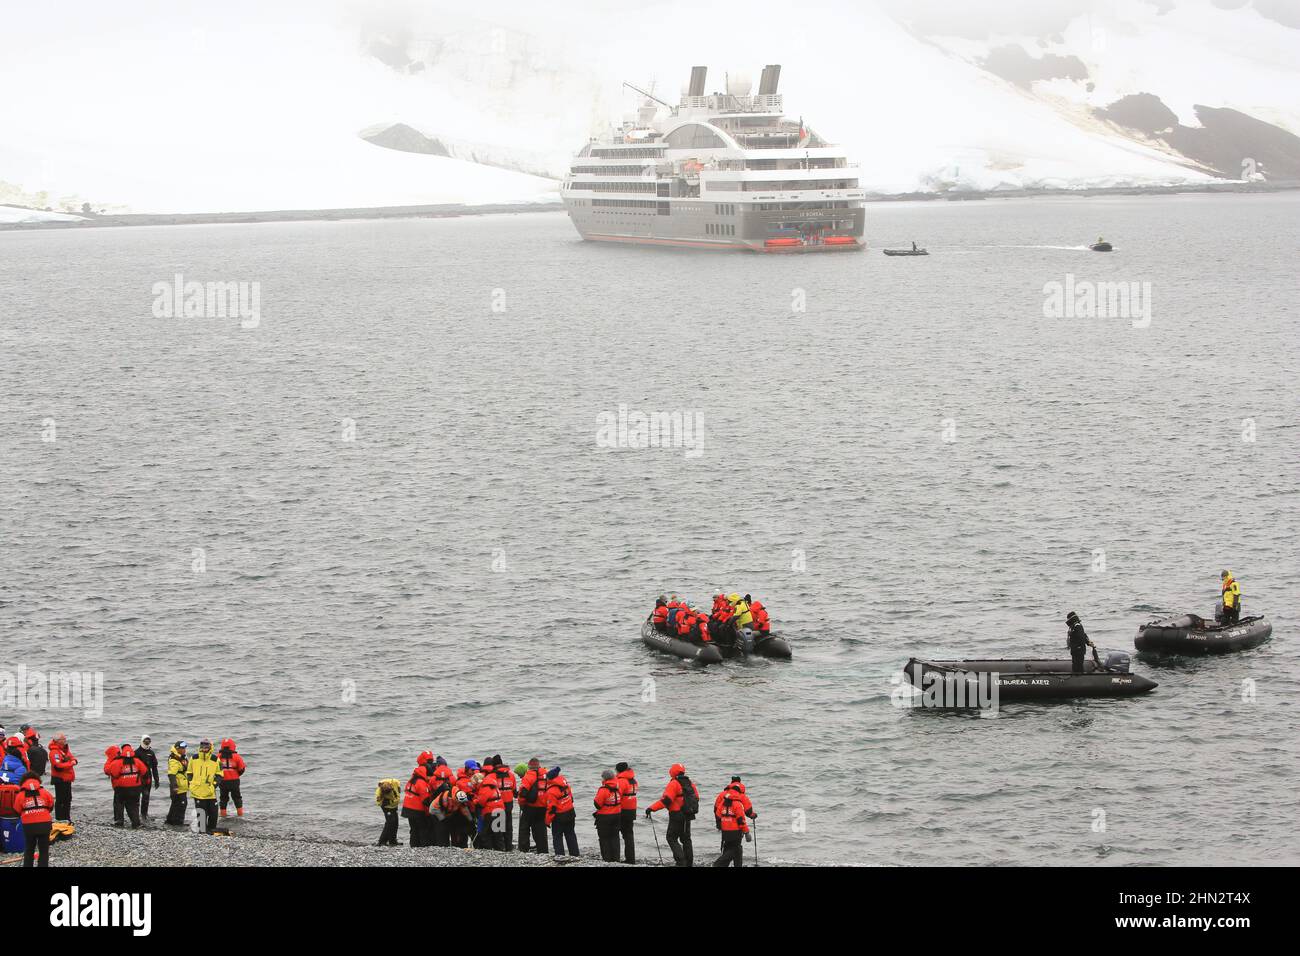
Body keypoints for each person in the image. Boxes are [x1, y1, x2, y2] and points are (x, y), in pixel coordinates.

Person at [646, 763, 700, 867]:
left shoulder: (674, 783)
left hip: (676, 815)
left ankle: (681, 862)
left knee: (671, 837)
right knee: (686, 839)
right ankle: (689, 863)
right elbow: (697, 798)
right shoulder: (690, 783)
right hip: (688, 814)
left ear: (673, 772)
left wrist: (651, 808)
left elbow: (666, 801)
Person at [16, 773, 55, 868]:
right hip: (45, 824)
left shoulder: (20, 795)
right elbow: (51, 805)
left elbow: (17, 809)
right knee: (44, 850)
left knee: (29, 849)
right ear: (38, 780)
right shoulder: (45, 792)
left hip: (29, 826)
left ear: (23, 782)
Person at [105, 743, 146, 828]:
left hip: (121, 789)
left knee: (119, 804)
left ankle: (119, 822)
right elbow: (144, 771)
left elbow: (111, 772)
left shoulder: (117, 762)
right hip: (135, 788)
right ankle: (136, 823)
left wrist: (110, 759)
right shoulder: (137, 761)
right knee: (134, 805)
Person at [712, 783, 752, 867]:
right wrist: (747, 833)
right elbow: (741, 821)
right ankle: (717, 864)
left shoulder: (723, 802)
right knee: (735, 849)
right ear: (738, 793)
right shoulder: (737, 804)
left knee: (730, 848)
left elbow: (718, 814)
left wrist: (720, 825)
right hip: (735, 831)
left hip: (725, 831)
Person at [544, 765, 579, 858]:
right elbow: (571, 798)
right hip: (571, 812)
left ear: (550, 779)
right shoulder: (565, 784)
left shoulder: (551, 791)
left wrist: (547, 821)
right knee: (571, 834)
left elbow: (551, 809)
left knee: (557, 837)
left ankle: (560, 856)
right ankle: (575, 855)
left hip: (559, 817)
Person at [187, 740, 221, 833]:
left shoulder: (215, 759)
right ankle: (202, 831)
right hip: (197, 791)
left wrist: (214, 785)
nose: (204, 749)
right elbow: (189, 772)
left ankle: (211, 830)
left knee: (214, 813)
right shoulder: (194, 758)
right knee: (201, 813)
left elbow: (219, 774)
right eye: (202, 747)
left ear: (210, 747)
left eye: (206, 747)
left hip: (210, 791)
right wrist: (191, 784)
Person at [517, 757, 549, 853]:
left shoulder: (528, 776)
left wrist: (521, 804)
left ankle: (523, 849)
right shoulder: (546, 775)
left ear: (529, 766)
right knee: (541, 830)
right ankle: (543, 850)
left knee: (524, 828)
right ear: (539, 765)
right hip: (543, 807)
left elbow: (523, 793)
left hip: (530, 807)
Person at [593, 769, 623, 862]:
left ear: (604, 778)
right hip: (617, 815)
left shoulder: (603, 789)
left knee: (604, 838)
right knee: (615, 837)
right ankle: (616, 859)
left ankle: (607, 859)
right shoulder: (618, 787)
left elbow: (597, 804)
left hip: (605, 817)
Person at [401, 765, 433, 847]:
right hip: (417, 810)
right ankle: (424, 847)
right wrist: (431, 810)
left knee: (414, 829)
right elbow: (425, 800)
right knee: (423, 829)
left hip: (407, 809)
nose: (430, 778)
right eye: (429, 775)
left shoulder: (411, 780)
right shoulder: (421, 783)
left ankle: (414, 846)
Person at [474, 770, 507, 850]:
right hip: (501, 810)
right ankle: (500, 850)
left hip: (491, 811)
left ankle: (488, 850)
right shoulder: (493, 785)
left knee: (485, 833)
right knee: (498, 833)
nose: (474, 786)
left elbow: (481, 802)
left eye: (474, 784)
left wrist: (474, 801)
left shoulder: (484, 787)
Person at [48, 734, 77, 822]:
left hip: (67, 778)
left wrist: (72, 761)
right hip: (60, 779)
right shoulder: (54, 752)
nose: (65, 740)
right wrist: (71, 763)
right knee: (61, 799)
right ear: (57, 741)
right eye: (63, 739)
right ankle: (60, 818)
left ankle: (66, 818)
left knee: (67, 798)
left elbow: (72, 758)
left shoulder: (63, 750)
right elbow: (58, 766)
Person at [616, 761, 638, 864]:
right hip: (632, 810)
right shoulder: (633, 780)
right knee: (629, 835)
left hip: (623, 810)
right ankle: (631, 858)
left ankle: (618, 858)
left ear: (618, 770)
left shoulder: (621, 781)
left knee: (618, 834)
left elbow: (616, 796)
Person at [217, 738, 246, 817]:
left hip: (222, 781)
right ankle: (240, 816)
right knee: (237, 798)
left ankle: (223, 816)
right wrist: (236, 774)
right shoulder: (237, 756)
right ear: (232, 746)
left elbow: (215, 769)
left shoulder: (218, 757)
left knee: (223, 799)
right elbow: (242, 769)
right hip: (234, 781)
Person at [165, 741, 189, 825]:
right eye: (182, 748)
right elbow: (171, 774)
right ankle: (178, 822)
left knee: (176, 804)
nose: (184, 750)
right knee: (181, 804)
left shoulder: (182, 757)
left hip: (183, 785)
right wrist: (174, 786)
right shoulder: (174, 759)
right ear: (177, 749)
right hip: (178, 787)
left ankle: (170, 821)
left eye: (185, 748)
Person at [136, 736, 160, 819]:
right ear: (142, 741)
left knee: (146, 796)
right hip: (138, 777)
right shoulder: (137, 752)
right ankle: (135, 814)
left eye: (149, 741)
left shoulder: (151, 752)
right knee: (136, 797)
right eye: (145, 741)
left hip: (148, 777)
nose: (147, 743)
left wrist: (156, 780)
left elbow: (154, 767)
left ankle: (144, 814)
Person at [375, 778, 401, 846]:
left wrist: (398, 789)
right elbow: (378, 802)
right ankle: (382, 841)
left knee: (395, 822)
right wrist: (385, 802)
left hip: (394, 805)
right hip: (386, 807)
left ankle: (393, 841)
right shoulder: (379, 792)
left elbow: (398, 786)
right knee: (390, 823)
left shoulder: (394, 783)